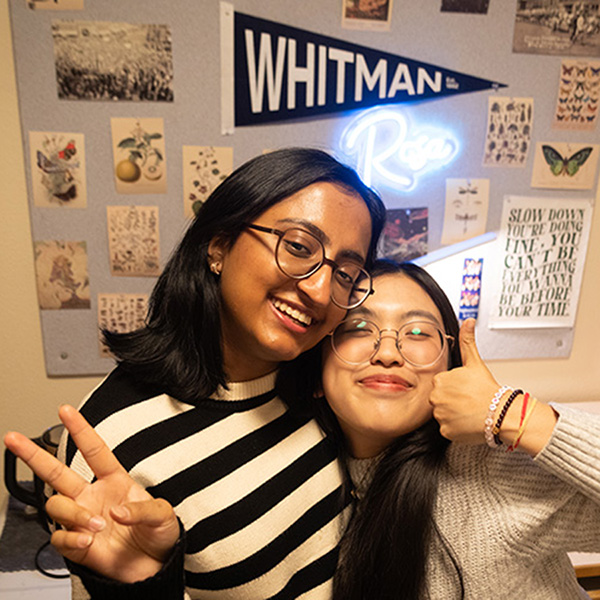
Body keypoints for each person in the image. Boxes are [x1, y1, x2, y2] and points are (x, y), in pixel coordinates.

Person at [4, 147, 386, 599]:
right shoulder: (111, 438)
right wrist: (145, 588)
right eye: (299, 247)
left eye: (345, 273)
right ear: (219, 245)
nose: (321, 291)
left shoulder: (321, 389)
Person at [280, 259, 600, 599]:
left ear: (448, 368)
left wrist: (510, 411)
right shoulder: (300, 476)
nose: (387, 353)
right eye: (358, 328)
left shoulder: (488, 473)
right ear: (317, 373)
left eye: (417, 332)